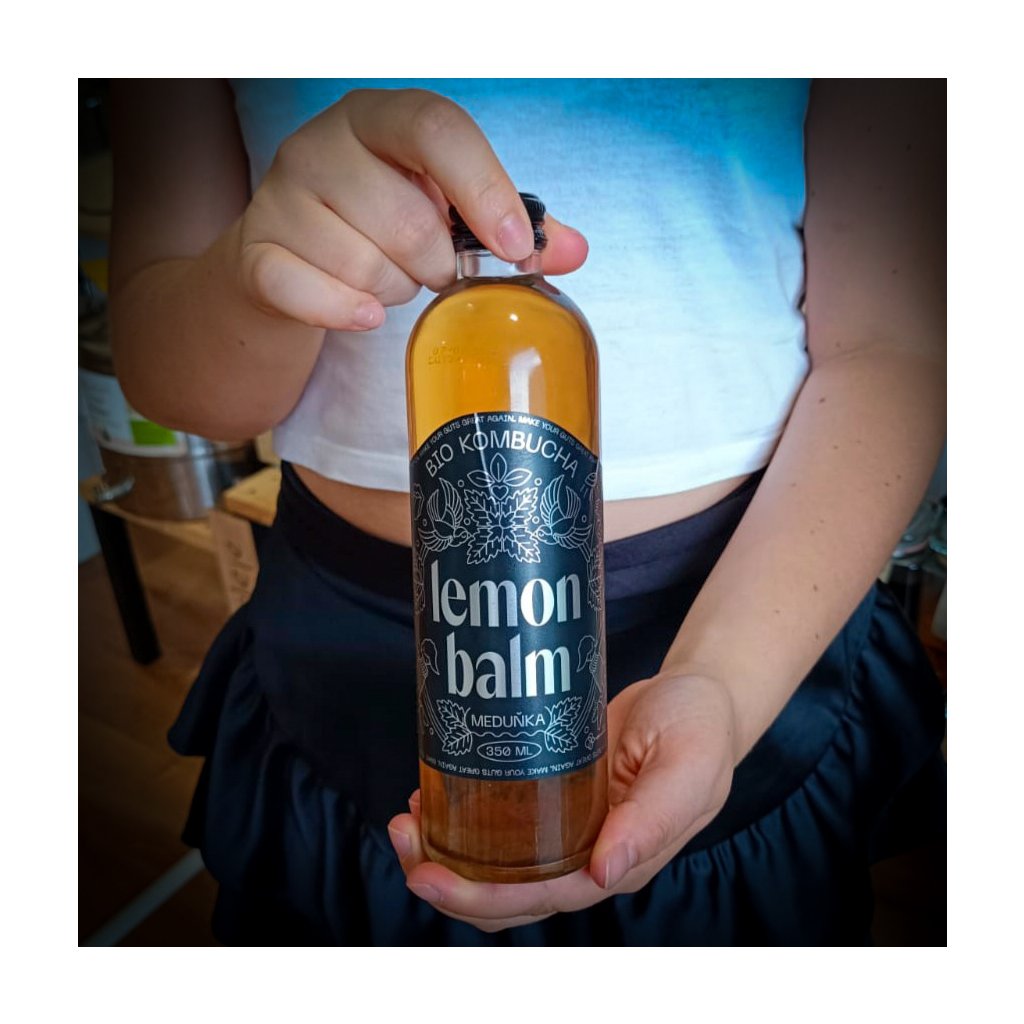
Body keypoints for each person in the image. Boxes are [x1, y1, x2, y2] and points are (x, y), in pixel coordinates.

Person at [109, 78, 946, 945]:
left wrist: (724, 689)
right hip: (347, 648)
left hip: (751, 615)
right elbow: (164, 363)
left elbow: (895, 343)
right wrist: (259, 273)